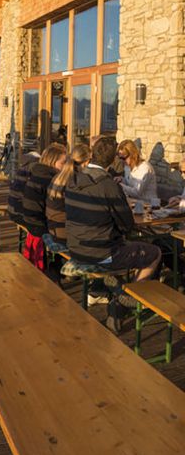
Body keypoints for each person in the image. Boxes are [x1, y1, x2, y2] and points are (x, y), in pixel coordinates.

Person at [64, 135, 160, 325]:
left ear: (91, 155)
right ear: (113, 160)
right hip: (102, 253)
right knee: (154, 252)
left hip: (75, 247)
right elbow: (127, 225)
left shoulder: (73, 178)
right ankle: (127, 301)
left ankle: (114, 288)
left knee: (128, 247)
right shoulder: (108, 185)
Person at [19, 145, 68, 272]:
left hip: (30, 221)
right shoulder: (50, 180)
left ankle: (58, 268)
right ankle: (57, 270)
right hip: (40, 226)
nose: (65, 166)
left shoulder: (38, 173)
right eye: (63, 163)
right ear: (52, 162)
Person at [116, 139, 158, 208]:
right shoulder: (127, 167)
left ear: (132, 154)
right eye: (120, 158)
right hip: (134, 204)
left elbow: (137, 192)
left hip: (148, 205)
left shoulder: (145, 168)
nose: (121, 161)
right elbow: (129, 183)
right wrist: (121, 180)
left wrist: (120, 186)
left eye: (123, 158)